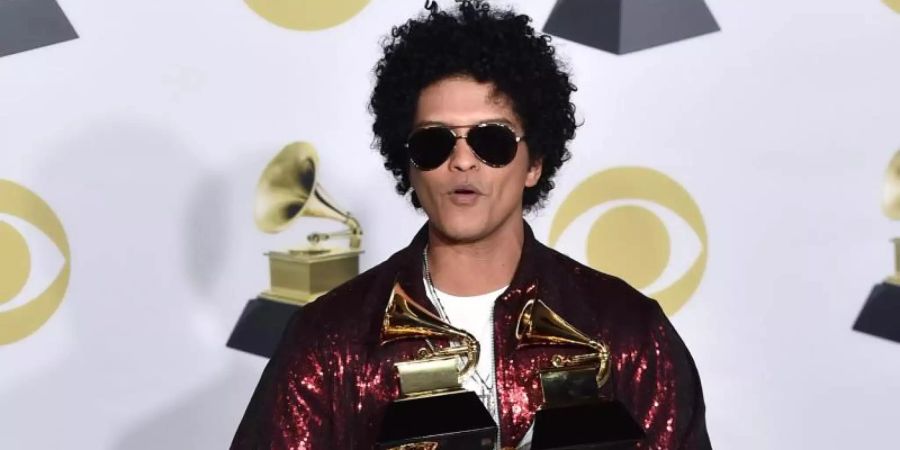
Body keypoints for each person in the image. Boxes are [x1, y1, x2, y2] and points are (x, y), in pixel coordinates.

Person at [231, 1, 711, 449]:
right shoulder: (328, 342)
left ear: (534, 162)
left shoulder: (626, 331)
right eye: (434, 143)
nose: (462, 160)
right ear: (410, 165)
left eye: (492, 141)